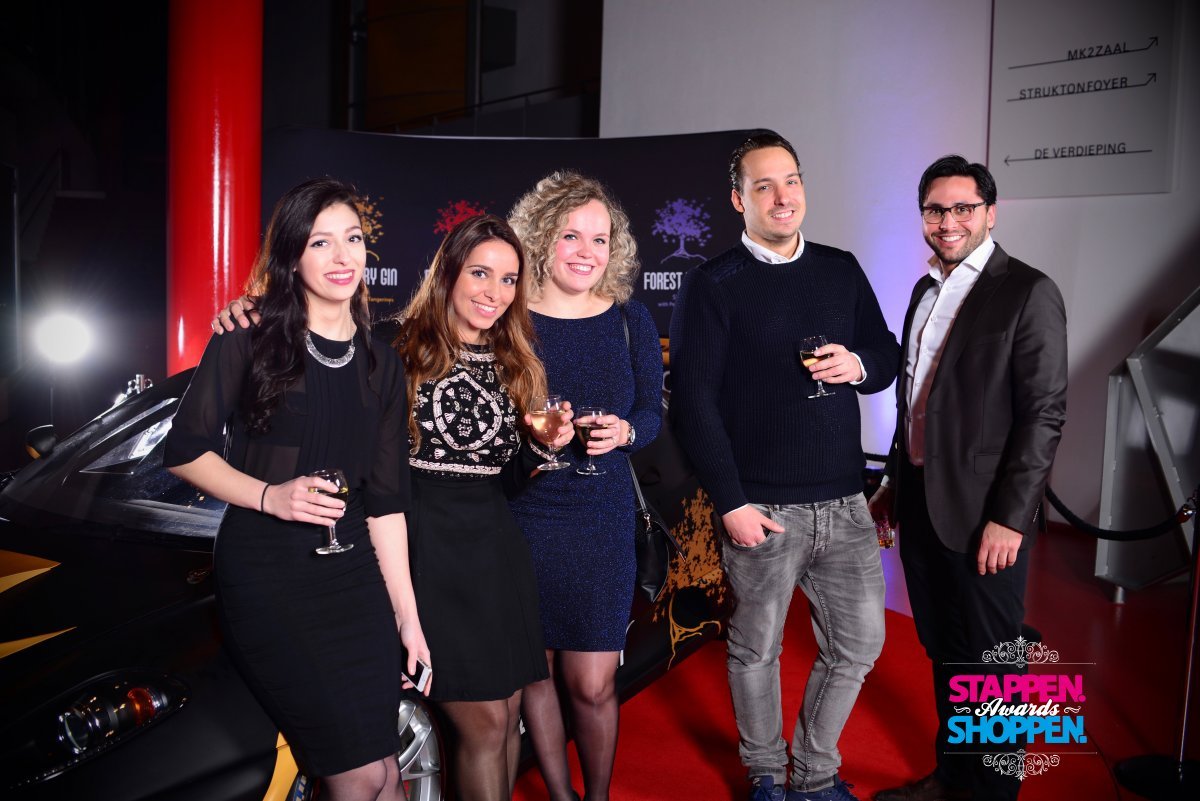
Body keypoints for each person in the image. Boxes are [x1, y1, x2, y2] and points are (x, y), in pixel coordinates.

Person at [213, 213, 574, 801]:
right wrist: (251, 314)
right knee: (484, 722)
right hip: (422, 547)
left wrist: (540, 446)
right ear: (447, 273)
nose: (495, 292)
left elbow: (503, 482)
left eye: (509, 279)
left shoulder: (517, 359)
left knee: (507, 714)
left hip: (494, 554)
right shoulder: (391, 345)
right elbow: (307, 353)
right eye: (480, 273)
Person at [166, 178, 427, 801]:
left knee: (385, 771)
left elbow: (386, 503)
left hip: (354, 575)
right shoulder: (246, 336)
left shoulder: (382, 364)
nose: (342, 257)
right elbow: (185, 451)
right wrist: (270, 496)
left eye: (353, 239)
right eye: (320, 242)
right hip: (270, 574)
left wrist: (408, 617)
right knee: (356, 776)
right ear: (291, 255)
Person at [669, 130, 899, 801]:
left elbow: (885, 352)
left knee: (859, 644)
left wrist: (859, 364)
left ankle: (815, 773)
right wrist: (731, 501)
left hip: (845, 503)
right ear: (738, 198)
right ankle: (767, 773)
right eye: (763, 185)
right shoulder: (712, 284)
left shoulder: (840, 268)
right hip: (761, 508)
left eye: (791, 180)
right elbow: (694, 403)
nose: (781, 196)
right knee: (755, 650)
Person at [868, 156, 1067, 801]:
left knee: (995, 663)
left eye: (963, 208)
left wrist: (1011, 518)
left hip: (987, 515)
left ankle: (994, 795)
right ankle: (954, 780)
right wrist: (893, 483)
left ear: (990, 213)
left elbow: (1043, 414)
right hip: (922, 502)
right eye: (936, 209)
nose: (948, 221)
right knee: (946, 647)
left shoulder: (1028, 291)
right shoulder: (924, 290)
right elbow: (916, 402)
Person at [506, 171, 663, 801]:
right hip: (525, 513)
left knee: (593, 683)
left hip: (602, 515)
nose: (587, 251)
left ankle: (596, 797)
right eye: (571, 235)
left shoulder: (630, 319)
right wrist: (532, 434)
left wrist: (627, 430)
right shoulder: (509, 318)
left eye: (600, 239)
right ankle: (561, 796)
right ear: (541, 239)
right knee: (536, 672)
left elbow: (652, 413)